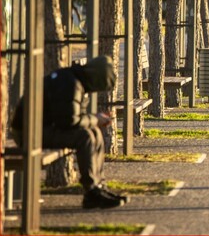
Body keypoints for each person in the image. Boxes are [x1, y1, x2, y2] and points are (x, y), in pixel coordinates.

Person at [10, 56, 128, 209]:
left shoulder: (73, 78)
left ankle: (98, 186)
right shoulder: (71, 84)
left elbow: (69, 118)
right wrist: (95, 119)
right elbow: (69, 122)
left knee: (94, 133)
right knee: (84, 137)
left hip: (40, 127)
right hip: (28, 133)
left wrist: (94, 121)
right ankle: (91, 191)